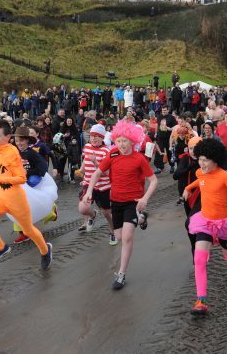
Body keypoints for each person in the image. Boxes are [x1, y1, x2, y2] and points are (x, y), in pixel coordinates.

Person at [84, 120, 158, 290]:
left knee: (127, 237)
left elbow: (153, 181)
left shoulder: (139, 159)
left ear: (132, 141)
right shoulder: (113, 154)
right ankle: (141, 219)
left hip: (133, 202)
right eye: (118, 141)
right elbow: (97, 173)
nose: (121, 144)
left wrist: (145, 198)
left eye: (125, 141)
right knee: (118, 236)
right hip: (116, 201)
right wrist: (89, 191)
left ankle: (121, 274)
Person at [182, 138, 227, 316]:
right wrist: (188, 188)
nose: (201, 163)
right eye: (200, 159)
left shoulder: (224, 176)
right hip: (205, 222)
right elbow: (200, 182)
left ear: (215, 160)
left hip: (224, 223)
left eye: (205, 160)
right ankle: (200, 300)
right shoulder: (200, 172)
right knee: (200, 259)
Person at [0, 119, 53, 269]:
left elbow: (21, 178)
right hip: (0, 197)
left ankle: (45, 250)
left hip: (16, 199)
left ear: (7, 137)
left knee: (29, 230)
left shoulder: (12, 153)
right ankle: (0, 247)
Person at [11, 127, 58, 244]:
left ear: (27, 140)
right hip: (17, 184)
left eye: (21, 140)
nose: (19, 143)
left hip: (30, 185)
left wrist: (28, 173)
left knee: (35, 207)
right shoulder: (13, 153)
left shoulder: (33, 154)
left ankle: (52, 210)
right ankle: (22, 233)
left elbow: (42, 169)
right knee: (14, 208)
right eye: (16, 141)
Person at [78, 124, 115, 242]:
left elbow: (106, 173)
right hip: (88, 183)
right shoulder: (87, 146)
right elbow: (84, 160)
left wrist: (95, 163)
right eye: (92, 136)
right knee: (83, 208)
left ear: (102, 138)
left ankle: (112, 231)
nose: (93, 138)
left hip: (104, 186)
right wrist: (81, 171)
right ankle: (93, 214)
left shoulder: (106, 151)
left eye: (96, 136)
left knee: (107, 213)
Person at [173, 136, 202, 258]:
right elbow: (176, 175)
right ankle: (195, 246)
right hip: (187, 197)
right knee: (192, 226)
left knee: (190, 223)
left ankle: (199, 250)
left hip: (202, 196)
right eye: (190, 148)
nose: (193, 151)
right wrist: (191, 166)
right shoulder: (185, 159)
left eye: (196, 148)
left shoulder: (206, 159)